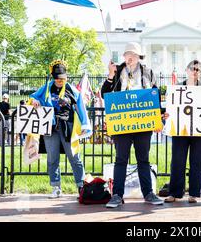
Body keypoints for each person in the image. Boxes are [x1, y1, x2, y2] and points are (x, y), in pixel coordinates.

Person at [101, 42, 164, 208]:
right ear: (124, 56)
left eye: (133, 54)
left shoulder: (148, 73)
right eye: (127, 54)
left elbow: (155, 96)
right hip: (122, 123)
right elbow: (104, 94)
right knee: (121, 159)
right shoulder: (116, 71)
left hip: (143, 123)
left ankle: (148, 193)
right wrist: (109, 75)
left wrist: (158, 119)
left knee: (143, 159)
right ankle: (117, 195)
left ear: (138, 57)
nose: (130, 57)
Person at [30, 59, 91, 199]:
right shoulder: (46, 87)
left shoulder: (71, 89)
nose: (59, 81)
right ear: (53, 77)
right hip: (50, 127)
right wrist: (34, 101)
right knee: (52, 158)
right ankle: (56, 187)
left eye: (62, 78)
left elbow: (81, 107)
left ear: (66, 77)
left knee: (75, 158)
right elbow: (33, 97)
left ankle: (81, 187)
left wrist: (84, 124)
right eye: (57, 78)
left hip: (68, 127)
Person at [164, 60, 201, 204]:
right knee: (177, 161)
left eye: (198, 69)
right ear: (187, 70)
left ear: (200, 73)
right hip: (180, 130)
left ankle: (194, 194)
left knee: (198, 162)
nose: (195, 71)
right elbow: (169, 108)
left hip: (200, 131)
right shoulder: (176, 88)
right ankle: (174, 193)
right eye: (192, 68)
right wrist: (167, 115)